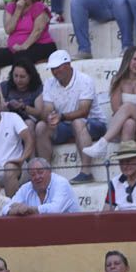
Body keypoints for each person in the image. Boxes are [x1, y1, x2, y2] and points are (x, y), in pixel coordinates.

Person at [37, 50, 107, 185]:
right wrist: (49, 118)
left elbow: (84, 111)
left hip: (94, 123)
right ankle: (44, 172)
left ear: (68, 64)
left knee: (78, 122)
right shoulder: (49, 83)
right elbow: (47, 109)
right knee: (41, 127)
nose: (55, 71)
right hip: (65, 123)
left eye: (58, 67)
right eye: (53, 68)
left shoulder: (85, 80)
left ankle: (86, 172)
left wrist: (60, 117)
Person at [82, 47, 136, 159]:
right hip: (122, 124)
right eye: (135, 59)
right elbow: (116, 109)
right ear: (127, 60)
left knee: (127, 107)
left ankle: (103, 143)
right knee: (129, 124)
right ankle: (128, 167)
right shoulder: (118, 79)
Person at [0, 0, 56, 90]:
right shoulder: (11, 7)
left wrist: (24, 46)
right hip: (15, 49)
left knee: (20, 57)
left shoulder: (38, 6)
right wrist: (18, 10)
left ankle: (26, 90)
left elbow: (37, 31)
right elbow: (9, 29)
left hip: (42, 45)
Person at [4, 157, 80, 215]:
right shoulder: (26, 188)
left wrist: (30, 209)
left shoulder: (61, 183)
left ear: (49, 171)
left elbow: (55, 210)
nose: (37, 177)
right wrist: (14, 211)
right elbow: (5, 209)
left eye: (40, 172)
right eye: (33, 174)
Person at [0, 60, 45, 136]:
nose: (18, 80)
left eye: (22, 77)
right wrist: (5, 105)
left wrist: (23, 107)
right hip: (8, 120)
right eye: (15, 76)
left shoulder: (37, 89)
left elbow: (39, 112)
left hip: (27, 120)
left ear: (30, 76)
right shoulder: (5, 86)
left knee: (28, 124)